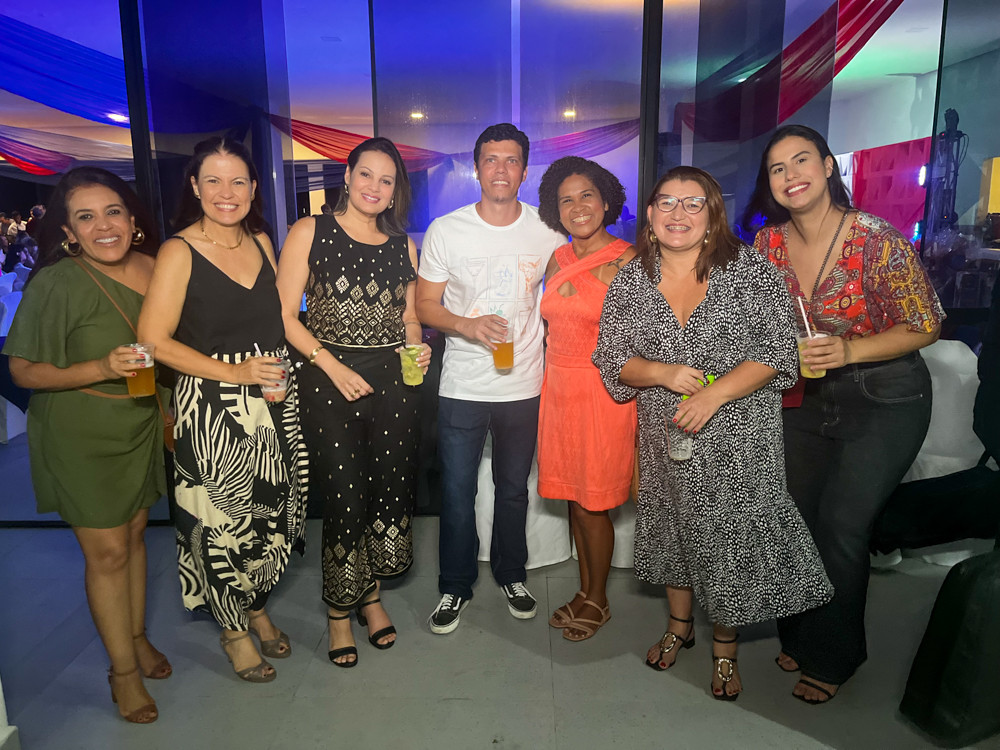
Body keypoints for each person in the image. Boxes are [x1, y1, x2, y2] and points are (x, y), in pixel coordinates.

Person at [593, 166, 832, 701]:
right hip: (665, 436)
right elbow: (612, 358)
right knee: (675, 530)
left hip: (739, 436)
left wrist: (713, 394)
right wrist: (662, 372)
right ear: (650, 215)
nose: (678, 213)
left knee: (730, 539)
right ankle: (679, 627)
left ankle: (726, 648)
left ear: (712, 214)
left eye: (693, 203)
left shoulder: (749, 271)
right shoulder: (631, 280)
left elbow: (777, 352)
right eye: (666, 202)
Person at [744, 124, 944, 704]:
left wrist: (851, 351)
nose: (790, 175)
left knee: (841, 525)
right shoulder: (767, 246)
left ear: (828, 166)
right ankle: (801, 635)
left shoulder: (876, 240)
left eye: (801, 160)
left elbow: (926, 324)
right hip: (805, 398)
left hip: (885, 397)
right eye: (777, 168)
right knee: (794, 520)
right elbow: (758, 325)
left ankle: (835, 655)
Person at [137, 136, 307, 683]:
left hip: (272, 399)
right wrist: (234, 374)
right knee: (220, 523)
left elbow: (277, 321)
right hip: (213, 406)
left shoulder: (261, 240)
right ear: (194, 186)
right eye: (213, 180)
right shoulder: (179, 251)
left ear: (254, 188)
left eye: (237, 181)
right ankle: (234, 631)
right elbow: (152, 340)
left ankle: (255, 606)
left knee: (270, 516)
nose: (226, 192)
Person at [3, 167, 170, 723]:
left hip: (139, 424)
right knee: (108, 552)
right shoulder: (57, 282)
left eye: (113, 211)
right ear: (68, 231)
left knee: (136, 537)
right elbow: (23, 371)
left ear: (132, 218)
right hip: (81, 433)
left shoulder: (154, 267)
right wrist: (100, 366)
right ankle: (122, 673)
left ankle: (137, 638)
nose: (104, 226)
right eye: (86, 217)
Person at [276, 137, 430, 667]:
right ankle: (339, 613)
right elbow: (284, 316)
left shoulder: (403, 245)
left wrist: (417, 344)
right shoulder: (309, 231)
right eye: (366, 174)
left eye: (386, 180)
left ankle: (371, 598)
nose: (374, 187)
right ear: (347, 175)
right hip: (328, 379)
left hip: (394, 384)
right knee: (345, 498)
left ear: (395, 190)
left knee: (388, 490)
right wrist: (332, 365)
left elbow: (409, 315)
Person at [416, 123, 565, 633]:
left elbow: (565, 296)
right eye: (491, 160)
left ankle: (511, 574)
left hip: (524, 383)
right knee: (458, 491)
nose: (501, 169)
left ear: (524, 171)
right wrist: (466, 325)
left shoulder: (547, 230)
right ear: (476, 168)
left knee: (513, 489)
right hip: (462, 384)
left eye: (511, 160)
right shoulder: (447, 229)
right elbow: (425, 304)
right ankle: (455, 585)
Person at [535, 156, 637, 641]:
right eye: (566, 200)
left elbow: (645, 339)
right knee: (575, 501)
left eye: (587, 196)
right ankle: (585, 590)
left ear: (606, 201)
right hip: (557, 390)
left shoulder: (629, 261)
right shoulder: (557, 258)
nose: (577, 207)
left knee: (594, 503)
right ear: (555, 210)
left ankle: (598, 598)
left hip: (602, 393)